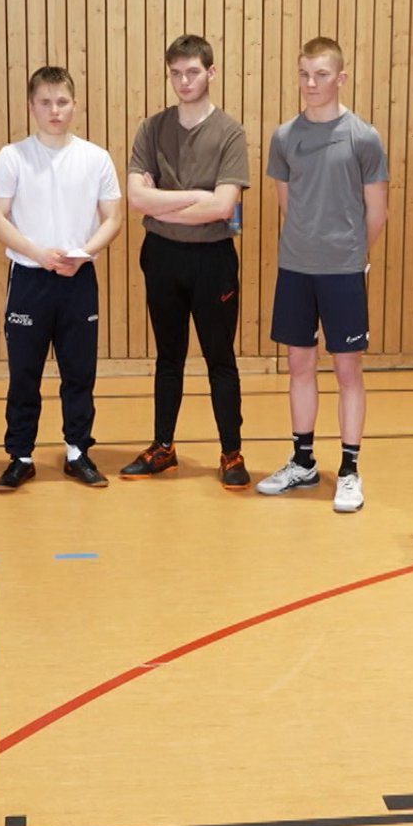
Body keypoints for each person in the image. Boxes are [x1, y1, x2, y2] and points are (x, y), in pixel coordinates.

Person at [254, 37, 390, 513]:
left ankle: (350, 470)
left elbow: (377, 211)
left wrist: (351, 254)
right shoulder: (284, 137)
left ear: (341, 78)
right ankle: (303, 460)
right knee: (298, 365)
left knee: (348, 369)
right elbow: (287, 204)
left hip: (342, 272)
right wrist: (308, 244)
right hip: (296, 268)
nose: (311, 84)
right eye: (305, 74)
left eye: (322, 75)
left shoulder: (363, 137)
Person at [121, 35, 253, 489]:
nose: (183, 80)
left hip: (213, 259)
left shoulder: (230, 133)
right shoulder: (151, 128)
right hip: (161, 256)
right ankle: (163, 447)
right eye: (175, 72)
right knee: (168, 357)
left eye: (192, 72)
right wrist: (196, 196)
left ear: (211, 73)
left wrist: (163, 202)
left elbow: (222, 208)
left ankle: (231, 452)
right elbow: (136, 199)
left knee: (220, 358)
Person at [0, 66, 124, 492]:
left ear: (75, 104)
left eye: (62, 101)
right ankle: (21, 456)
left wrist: (84, 255)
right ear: (32, 107)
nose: (54, 110)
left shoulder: (96, 157)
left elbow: (113, 218)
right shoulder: (13, 156)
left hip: (78, 279)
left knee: (78, 371)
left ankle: (78, 451)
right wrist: (37, 253)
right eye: (44, 102)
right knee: (24, 372)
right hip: (29, 279)